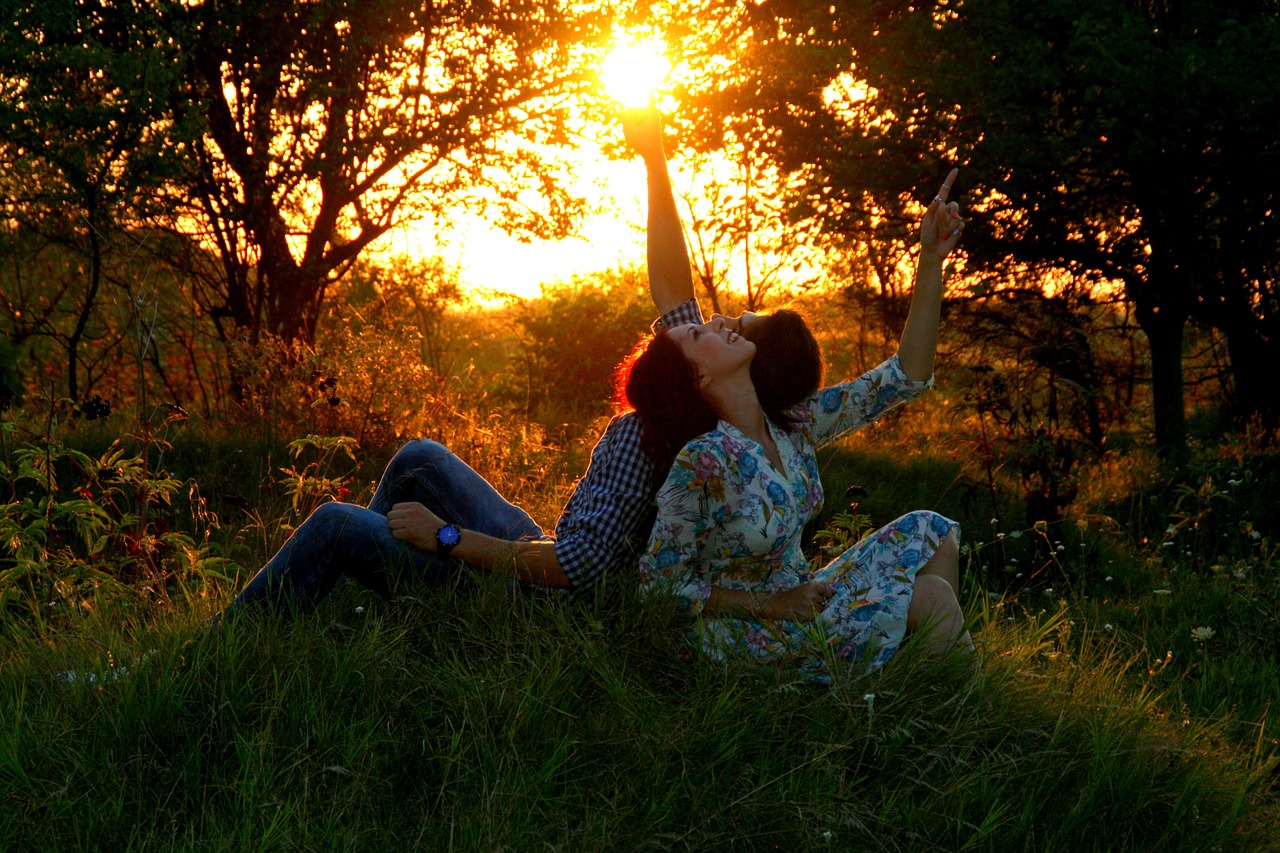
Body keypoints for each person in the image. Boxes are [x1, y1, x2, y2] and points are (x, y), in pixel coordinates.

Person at [222, 109, 821, 616]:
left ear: (712, 369)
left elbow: (579, 568)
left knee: (333, 523)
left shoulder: (653, 438)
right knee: (417, 460)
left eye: (734, 329)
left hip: (529, 599)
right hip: (536, 548)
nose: (717, 320)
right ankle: (367, 593)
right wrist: (655, 159)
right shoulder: (722, 408)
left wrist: (446, 538)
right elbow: (671, 284)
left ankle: (239, 637)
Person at [633, 172, 973, 681]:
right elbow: (659, 588)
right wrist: (776, 604)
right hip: (745, 634)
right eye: (700, 332)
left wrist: (931, 259)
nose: (721, 322)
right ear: (698, 375)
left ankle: (906, 682)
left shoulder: (792, 423)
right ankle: (952, 720)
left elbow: (905, 377)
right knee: (930, 596)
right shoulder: (703, 460)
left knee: (931, 530)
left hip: (802, 601)